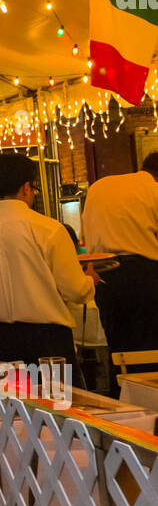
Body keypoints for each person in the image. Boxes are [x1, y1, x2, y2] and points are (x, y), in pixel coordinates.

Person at [0, 152, 95, 379]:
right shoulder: (49, 229)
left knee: (11, 412)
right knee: (57, 410)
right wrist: (90, 281)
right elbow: (76, 290)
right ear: (26, 187)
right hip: (48, 344)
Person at [82, 151, 158, 395]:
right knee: (149, 350)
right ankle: (149, 414)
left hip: (103, 274)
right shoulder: (153, 190)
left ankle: (122, 407)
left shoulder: (99, 187)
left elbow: (86, 235)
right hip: (145, 274)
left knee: (118, 351)